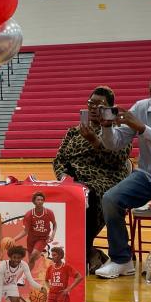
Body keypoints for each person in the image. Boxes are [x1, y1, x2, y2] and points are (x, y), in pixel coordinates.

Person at [95, 64, 151, 279]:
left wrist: (143, 129)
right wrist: (106, 127)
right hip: (147, 175)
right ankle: (122, 260)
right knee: (111, 199)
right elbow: (114, 143)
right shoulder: (140, 108)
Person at [52, 86, 131, 273]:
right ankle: (89, 253)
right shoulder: (74, 131)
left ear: (110, 109)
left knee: (87, 195)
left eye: (100, 105)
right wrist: (63, 176)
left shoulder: (119, 132)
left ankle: (80, 253)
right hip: (74, 179)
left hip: (105, 178)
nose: (94, 107)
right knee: (53, 193)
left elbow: (117, 161)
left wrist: (96, 141)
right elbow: (59, 159)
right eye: (91, 103)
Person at [13, 191, 56, 269]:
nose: (40, 201)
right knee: (31, 260)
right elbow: (25, 231)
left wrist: (52, 235)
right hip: (31, 239)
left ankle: (22, 278)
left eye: (41, 200)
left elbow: (55, 224)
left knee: (33, 256)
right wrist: (14, 239)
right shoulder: (29, 214)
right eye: (38, 200)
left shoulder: (49, 213)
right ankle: (28, 276)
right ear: (34, 201)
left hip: (42, 238)